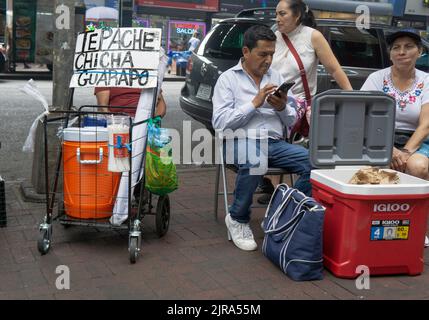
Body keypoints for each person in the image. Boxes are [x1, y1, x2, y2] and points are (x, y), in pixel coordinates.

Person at [212, 25, 312, 251]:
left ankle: (284, 214)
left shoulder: (276, 76)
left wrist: (282, 107)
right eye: (262, 54)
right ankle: (237, 218)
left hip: (275, 144)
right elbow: (220, 123)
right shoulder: (228, 80)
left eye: (271, 54)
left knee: (314, 163)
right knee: (256, 161)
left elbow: (289, 121)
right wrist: (254, 104)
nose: (268, 60)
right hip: (239, 141)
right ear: (246, 52)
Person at [256, 0, 353, 205]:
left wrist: (353, 98)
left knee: (303, 151)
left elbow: (335, 69)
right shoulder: (273, 36)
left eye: (282, 14)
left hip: (299, 106)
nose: (277, 18)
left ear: (297, 15)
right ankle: (275, 189)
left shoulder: (312, 36)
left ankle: (287, 200)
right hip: (271, 101)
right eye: (276, 14)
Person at [361, 29, 429, 248]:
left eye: (409, 46)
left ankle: (417, 227)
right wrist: (388, 148)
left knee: (417, 167)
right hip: (379, 138)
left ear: (420, 51)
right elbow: (365, 116)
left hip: (415, 141)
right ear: (390, 54)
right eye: (396, 48)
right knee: (367, 171)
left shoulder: (426, 81)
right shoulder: (376, 78)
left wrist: (406, 152)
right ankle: (369, 225)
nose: (402, 52)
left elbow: (426, 124)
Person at [94, 87, 166, 118]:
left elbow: (161, 103)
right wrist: (114, 122)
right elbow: (103, 106)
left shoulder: (146, 74)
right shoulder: (108, 73)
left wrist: (155, 119)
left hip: (145, 119)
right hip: (117, 120)